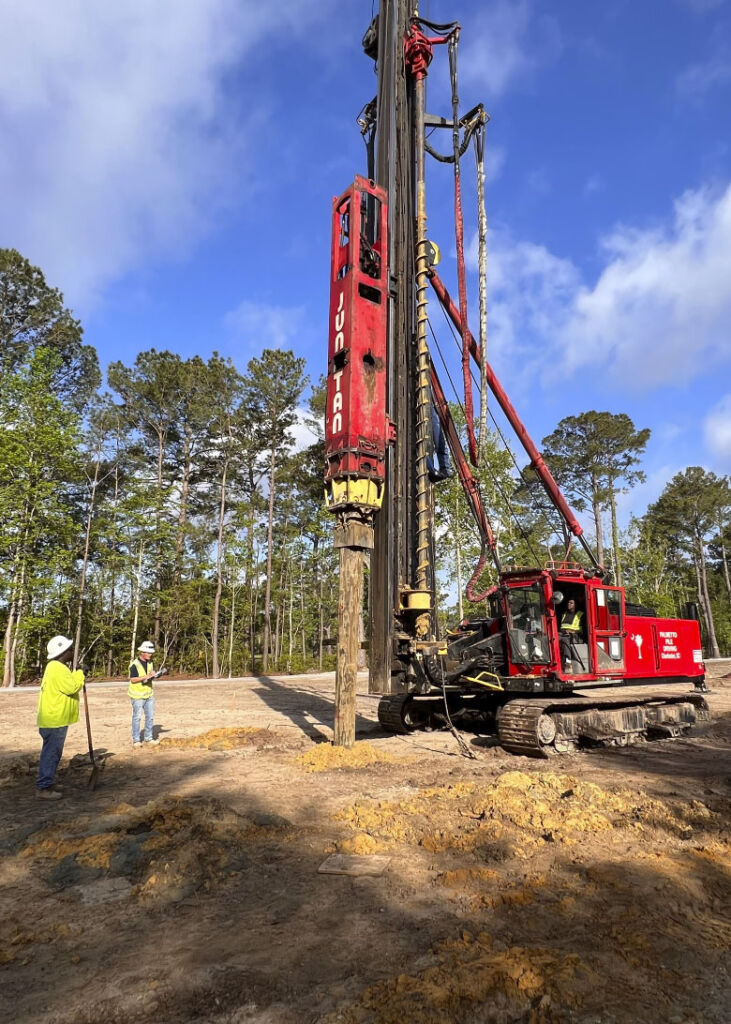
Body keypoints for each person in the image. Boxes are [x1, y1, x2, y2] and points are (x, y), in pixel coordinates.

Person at [36, 635, 85, 800]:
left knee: (53, 753)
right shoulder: (57, 668)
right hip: (54, 719)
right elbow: (71, 687)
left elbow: (68, 682)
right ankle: (43, 788)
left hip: (55, 718)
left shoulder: (56, 667)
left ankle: (48, 782)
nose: (72, 652)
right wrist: (80, 673)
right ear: (63, 652)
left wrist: (77, 672)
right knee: (51, 754)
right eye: (70, 649)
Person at [129, 641, 159, 747]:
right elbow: (133, 679)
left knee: (150, 717)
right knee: (137, 718)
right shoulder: (134, 665)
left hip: (149, 694)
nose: (150, 655)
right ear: (142, 652)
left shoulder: (150, 662)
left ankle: (148, 738)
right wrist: (146, 677)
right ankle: (136, 740)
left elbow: (149, 675)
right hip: (137, 696)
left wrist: (153, 675)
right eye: (148, 652)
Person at [559, 598, 584, 670]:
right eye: (568, 603)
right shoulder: (564, 614)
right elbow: (561, 626)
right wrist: (564, 631)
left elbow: (582, 629)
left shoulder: (580, 614)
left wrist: (572, 631)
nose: (569, 604)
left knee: (564, 639)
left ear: (575, 605)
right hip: (563, 633)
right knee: (552, 637)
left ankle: (568, 662)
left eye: (571, 603)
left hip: (575, 636)